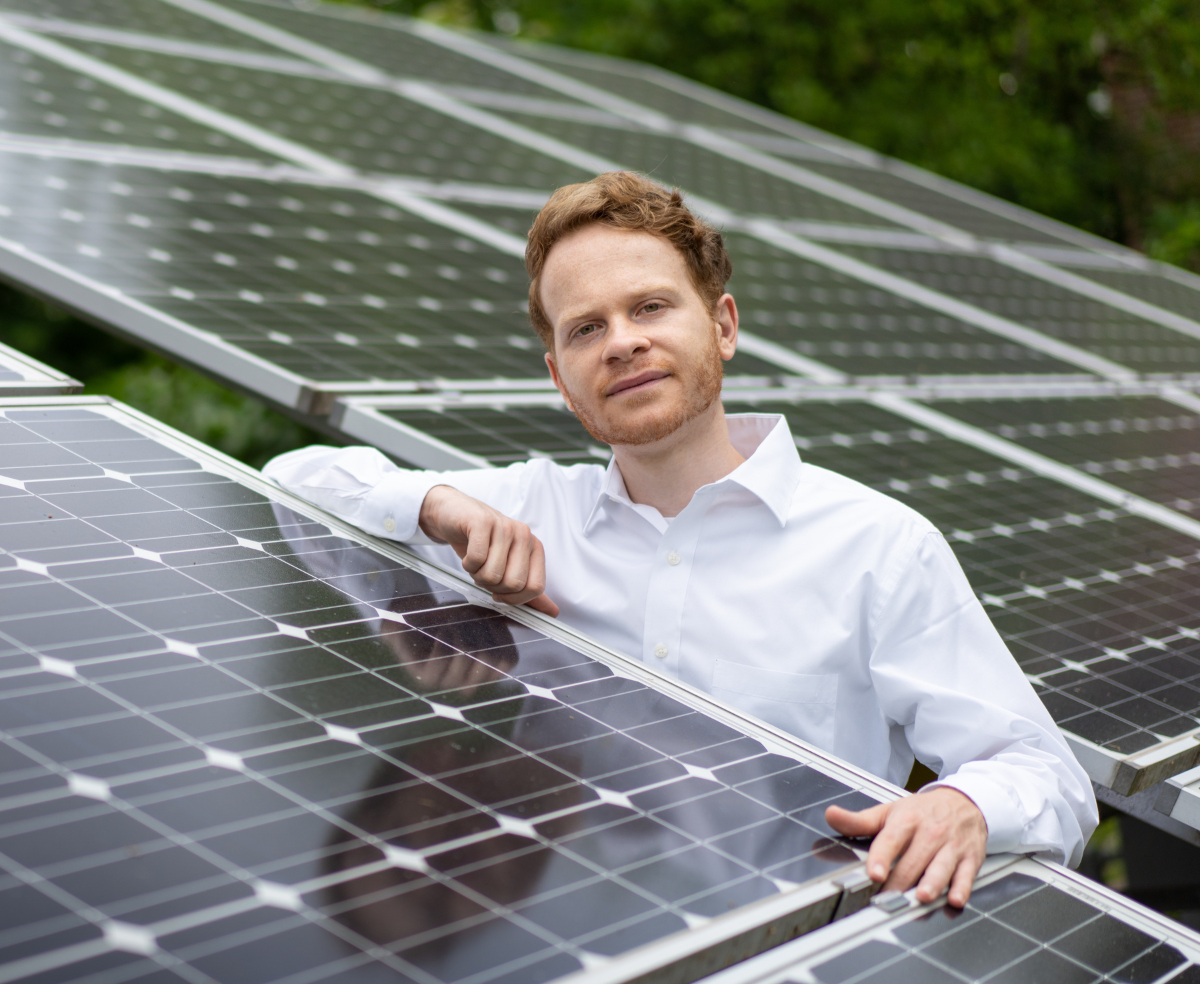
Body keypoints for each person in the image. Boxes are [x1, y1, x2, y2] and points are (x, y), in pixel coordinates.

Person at [265, 170, 1096, 909]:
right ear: (559, 377)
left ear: (723, 325)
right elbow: (291, 485)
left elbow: (1045, 775)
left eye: (651, 307)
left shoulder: (878, 547)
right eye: (584, 329)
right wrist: (432, 502)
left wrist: (965, 805)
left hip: (791, 982)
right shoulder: (527, 508)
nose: (622, 340)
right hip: (552, 953)